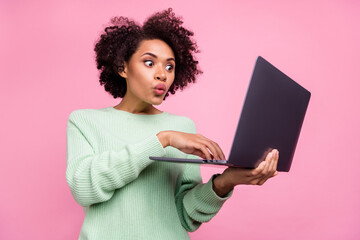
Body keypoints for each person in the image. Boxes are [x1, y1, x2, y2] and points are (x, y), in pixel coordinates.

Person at [66, 8, 279, 240]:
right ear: (122, 67)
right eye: (149, 63)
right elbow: (83, 188)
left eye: (169, 66)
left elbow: (185, 215)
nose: (162, 75)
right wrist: (162, 140)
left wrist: (226, 182)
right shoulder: (85, 121)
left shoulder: (183, 127)